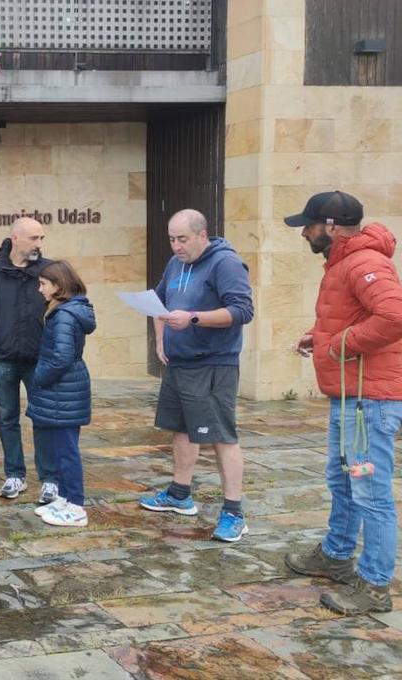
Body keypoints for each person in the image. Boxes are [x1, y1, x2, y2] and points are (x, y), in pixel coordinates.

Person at [281, 191, 402, 615]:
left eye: (308, 225)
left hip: (370, 401)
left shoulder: (366, 263)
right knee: (343, 481)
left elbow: (394, 317)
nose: (304, 233)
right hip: (352, 396)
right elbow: (357, 318)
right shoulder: (345, 262)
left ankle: (373, 586)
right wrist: (322, 338)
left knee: (370, 493)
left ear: (330, 226)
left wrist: (340, 345)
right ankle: (335, 554)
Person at [139, 209, 254, 543]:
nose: (176, 246)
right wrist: (161, 338)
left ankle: (234, 512)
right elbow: (158, 301)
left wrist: (193, 319)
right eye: (172, 239)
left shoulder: (226, 264)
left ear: (202, 235)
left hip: (214, 364)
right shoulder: (176, 264)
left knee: (221, 435)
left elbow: (242, 311)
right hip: (179, 363)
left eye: (182, 239)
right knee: (183, 429)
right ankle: (179, 493)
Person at [0, 217, 59, 504]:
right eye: (34, 238)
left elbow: (67, 303)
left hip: (39, 358)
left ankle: (50, 480)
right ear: (15, 238)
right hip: (3, 358)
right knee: (7, 417)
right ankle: (14, 475)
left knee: (43, 418)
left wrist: (51, 339)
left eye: (41, 238)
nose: (39, 244)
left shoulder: (50, 270)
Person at [29, 260, 96, 528]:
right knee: (59, 448)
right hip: (63, 390)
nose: (40, 289)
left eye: (43, 284)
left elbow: (61, 357)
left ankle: (76, 505)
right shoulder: (65, 311)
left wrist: (38, 377)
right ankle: (66, 497)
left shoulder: (65, 315)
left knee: (67, 450)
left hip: (63, 390)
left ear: (58, 285)